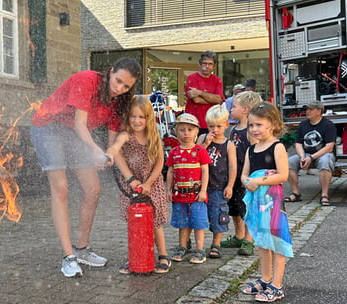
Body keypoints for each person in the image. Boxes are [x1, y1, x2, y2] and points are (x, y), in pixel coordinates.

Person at [30, 58, 141, 277]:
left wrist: (107, 155)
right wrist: (93, 150)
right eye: (117, 80)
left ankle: (82, 249)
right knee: (61, 188)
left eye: (126, 86)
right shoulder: (87, 80)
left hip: (75, 133)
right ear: (110, 71)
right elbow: (80, 124)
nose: (119, 88)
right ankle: (68, 256)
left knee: (93, 189)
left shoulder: (119, 102)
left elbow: (111, 143)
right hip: (48, 127)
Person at [106, 96, 170, 274]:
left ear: (148, 118)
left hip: (152, 183)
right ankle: (136, 255)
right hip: (131, 184)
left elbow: (159, 162)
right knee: (135, 222)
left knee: (155, 221)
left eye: (141, 117)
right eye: (133, 116)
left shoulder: (153, 136)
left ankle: (163, 255)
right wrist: (131, 180)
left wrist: (148, 183)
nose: (137, 120)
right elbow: (117, 150)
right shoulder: (126, 135)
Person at [240, 101, 291, 303]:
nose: (254, 129)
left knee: (277, 243)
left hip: (273, 203)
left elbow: (283, 175)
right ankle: (265, 278)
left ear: (272, 124)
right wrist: (246, 182)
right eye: (251, 125)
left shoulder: (277, 147)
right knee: (262, 242)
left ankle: (277, 285)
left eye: (259, 125)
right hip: (257, 203)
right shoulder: (251, 150)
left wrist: (258, 181)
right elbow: (244, 174)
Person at [221, 90, 263, 256]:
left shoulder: (250, 130)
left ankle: (248, 239)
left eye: (234, 107)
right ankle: (238, 235)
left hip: (246, 175)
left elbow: (254, 152)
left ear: (245, 109)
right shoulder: (233, 129)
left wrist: (252, 175)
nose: (230, 109)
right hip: (233, 175)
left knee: (247, 208)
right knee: (235, 208)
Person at [166, 113, 211, 264]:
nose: (186, 133)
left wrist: (204, 190)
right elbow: (171, 172)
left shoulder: (200, 151)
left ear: (196, 132)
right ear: (176, 132)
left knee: (198, 223)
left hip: (197, 196)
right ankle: (182, 246)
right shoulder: (174, 152)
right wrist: (168, 189)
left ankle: (200, 249)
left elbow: (205, 171)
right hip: (180, 196)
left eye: (190, 130)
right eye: (182, 130)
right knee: (183, 223)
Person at [196, 105, 237, 259]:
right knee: (196, 214)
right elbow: (195, 156)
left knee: (218, 214)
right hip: (200, 185)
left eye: (219, 126)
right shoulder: (202, 138)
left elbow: (232, 167)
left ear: (226, 125)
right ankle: (190, 242)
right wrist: (205, 144)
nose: (215, 129)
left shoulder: (229, 144)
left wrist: (230, 185)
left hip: (219, 185)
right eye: (211, 126)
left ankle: (216, 243)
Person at [284, 100, 336, 206]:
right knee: (289, 162)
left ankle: (324, 195)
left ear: (319, 111)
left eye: (310, 109)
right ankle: (296, 193)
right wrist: (303, 157)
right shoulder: (303, 125)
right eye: (307, 109)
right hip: (306, 153)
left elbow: (329, 147)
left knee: (325, 162)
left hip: (322, 153)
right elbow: (298, 144)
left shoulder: (328, 125)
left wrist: (311, 158)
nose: (307, 111)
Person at [184, 51, 224, 136]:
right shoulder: (192, 78)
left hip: (212, 123)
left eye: (210, 64)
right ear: (199, 64)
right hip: (194, 122)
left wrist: (199, 92)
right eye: (204, 63)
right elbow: (196, 100)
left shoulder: (217, 80)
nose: (207, 66)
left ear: (214, 66)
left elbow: (219, 100)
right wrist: (213, 99)